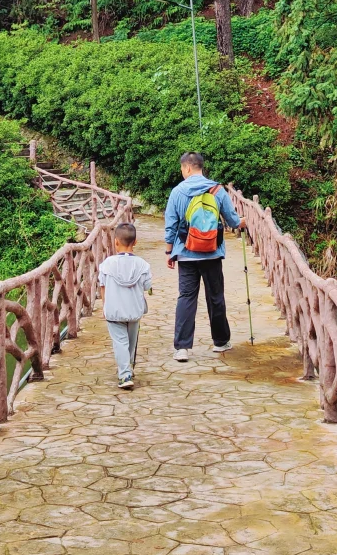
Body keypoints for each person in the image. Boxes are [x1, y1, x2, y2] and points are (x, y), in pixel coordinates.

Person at [164, 151, 241, 363]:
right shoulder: (217, 190)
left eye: (182, 169)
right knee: (215, 297)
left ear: (188, 168)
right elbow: (233, 221)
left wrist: (169, 251)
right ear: (200, 167)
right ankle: (220, 341)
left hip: (186, 253)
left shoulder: (178, 192)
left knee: (187, 297)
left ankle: (182, 348)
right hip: (212, 253)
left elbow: (170, 224)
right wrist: (243, 222)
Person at [98, 222, 153, 390]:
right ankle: (128, 368)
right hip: (134, 310)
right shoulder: (143, 265)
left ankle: (125, 375)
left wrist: (104, 305)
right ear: (135, 242)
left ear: (116, 242)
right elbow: (147, 286)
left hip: (114, 311)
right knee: (131, 341)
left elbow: (102, 286)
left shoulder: (107, 264)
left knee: (120, 342)